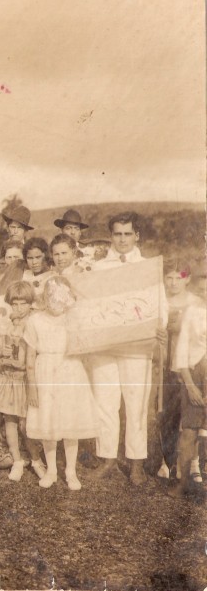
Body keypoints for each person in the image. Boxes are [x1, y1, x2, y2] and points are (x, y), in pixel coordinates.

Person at [89, 212, 162, 485]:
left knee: (136, 404)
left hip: (136, 346)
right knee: (105, 403)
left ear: (137, 236)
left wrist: (157, 329)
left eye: (127, 234)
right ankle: (107, 459)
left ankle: (136, 464)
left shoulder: (148, 267)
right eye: (117, 234)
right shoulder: (98, 269)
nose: (122, 239)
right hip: (104, 346)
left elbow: (159, 306)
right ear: (111, 236)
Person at [25, 277, 98, 490]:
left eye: (61, 299)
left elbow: (84, 347)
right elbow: (30, 356)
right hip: (45, 371)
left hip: (70, 370)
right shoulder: (35, 320)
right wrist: (32, 385)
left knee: (69, 422)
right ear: (45, 298)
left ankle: (71, 471)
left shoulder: (72, 319)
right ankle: (51, 470)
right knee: (48, 421)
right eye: (51, 298)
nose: (56, 303)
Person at [0, 281, 46, 481]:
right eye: (14, 304)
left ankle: (35, 459)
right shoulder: (3, 324)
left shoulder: (36, 323)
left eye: (23, 303)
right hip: (8, 379)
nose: (18, 308)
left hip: (26, 378)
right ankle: (16, 460)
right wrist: (1, 352)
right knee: (10, 421)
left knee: (27, 424)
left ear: (30, 303)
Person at [157, 258, 202, 479]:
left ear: (188, 279)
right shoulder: (159, 301)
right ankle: (168, 461)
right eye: (169, 277)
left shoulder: (196, 302)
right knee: (168, 413)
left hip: (190, 364)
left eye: (179, 277)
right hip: (166, 364)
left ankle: (192, 461)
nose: (174, 283)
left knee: (192, 416)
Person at [168, 294, 206, 498]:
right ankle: (183, 483)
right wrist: (190, 386)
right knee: (189, 431)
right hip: (195, 376)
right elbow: (182, 351)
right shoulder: (192, 311)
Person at [22, 237, 53, 306]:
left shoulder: (52, 277)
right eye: (30, 258)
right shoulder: (25, 275)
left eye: (38, 257)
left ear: (45, 256)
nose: (34, 262)